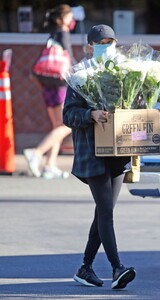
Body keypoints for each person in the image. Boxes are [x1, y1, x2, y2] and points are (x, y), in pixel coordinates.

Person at [63, 24, 136, 289]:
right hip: (91, 153)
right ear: (90, 46)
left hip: (117, 150)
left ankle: (85, 268)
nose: (107, 46)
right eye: (101, 42)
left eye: (110, 41)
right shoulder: (79, 75)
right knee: (106, 211)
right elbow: (67, 115)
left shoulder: (124, 73)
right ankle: (117, 267)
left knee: (104, 211)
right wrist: (90, 114)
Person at [24, 4, 75, 179]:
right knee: (66, 125)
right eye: (70, 16)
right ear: (62, 18)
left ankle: (49, 165)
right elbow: (69, 57)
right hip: (60, 86)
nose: (72, 20)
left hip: (47, 86)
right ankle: (36, 152)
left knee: (56, 127)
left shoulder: (52, 34)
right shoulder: (63, 32)